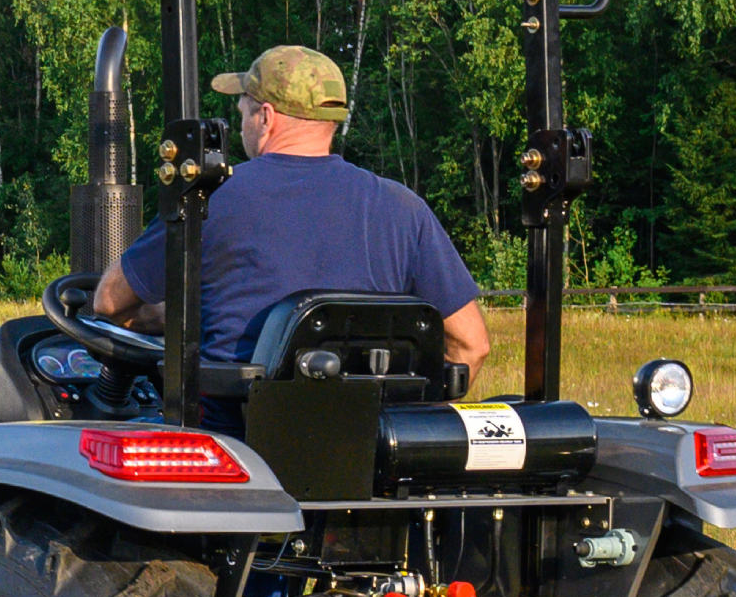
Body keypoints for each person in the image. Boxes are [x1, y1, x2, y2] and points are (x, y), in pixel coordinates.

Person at [92, 45, 490, 398]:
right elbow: (472, 346)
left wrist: (166, 318)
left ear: (265, 118)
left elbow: (108, 301)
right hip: (370, 464)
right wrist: (408, 422)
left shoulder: (209, 197)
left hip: (235, 455)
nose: (242, 122)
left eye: (243, 111)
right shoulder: (404, 208)